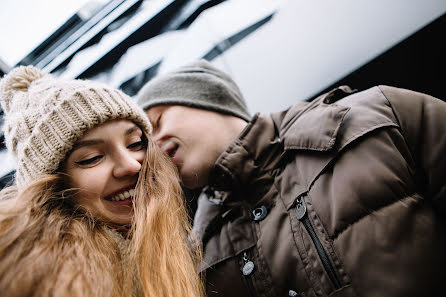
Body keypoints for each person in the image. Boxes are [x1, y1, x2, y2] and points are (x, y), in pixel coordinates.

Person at [136, 59, 446, 297]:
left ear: (208, 100)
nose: (154, 150)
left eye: (158, 121)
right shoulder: (195, 255)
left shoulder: (373, 114)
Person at [0, 66, 204, 297]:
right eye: (92, 158)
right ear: (53, 189)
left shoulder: (164, 238)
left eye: (136, 143)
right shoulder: (65, 281)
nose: (132, 165)